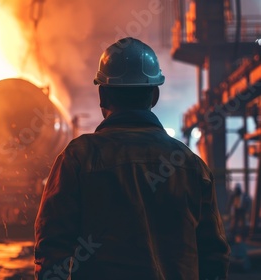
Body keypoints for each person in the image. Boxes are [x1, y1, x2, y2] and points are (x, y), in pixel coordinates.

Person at [34, 37, 230, 280]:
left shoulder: (77, 158)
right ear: (154, 96)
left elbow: (52, 247)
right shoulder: (190, 165)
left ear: (102, 96)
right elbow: (213, 256)